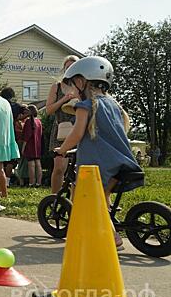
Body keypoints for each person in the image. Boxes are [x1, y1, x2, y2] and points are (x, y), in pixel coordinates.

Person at [56, 56, 141, 248]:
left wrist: (62, 149)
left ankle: (112, 237)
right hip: (122, 163)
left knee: (89, 200)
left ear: (81, 81)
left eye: (73, 84)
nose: (73, 89)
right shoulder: (114, 106)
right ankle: (100, 229)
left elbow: (77, 133)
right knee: (102, 198)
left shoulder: (84, 106)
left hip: (100, 166)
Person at [47, 55, 80, 193]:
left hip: (79, 127)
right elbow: (49, 110)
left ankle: (75, 199)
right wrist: (64, 100)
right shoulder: (57, 86)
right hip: (61, 129)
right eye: (68, 67)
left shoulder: (82, 86)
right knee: (59, 167)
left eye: (74, 67)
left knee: (78, 168)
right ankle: (55, 198)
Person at [22, 105, 43, 187]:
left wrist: (23, 148)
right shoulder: (39, 121)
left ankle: (31, 182)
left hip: (30, 145)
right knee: (38, 163)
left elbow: (26, 136)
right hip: (37, 145)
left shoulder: (28, 122)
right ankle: (39, 182)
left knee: (31, 164)